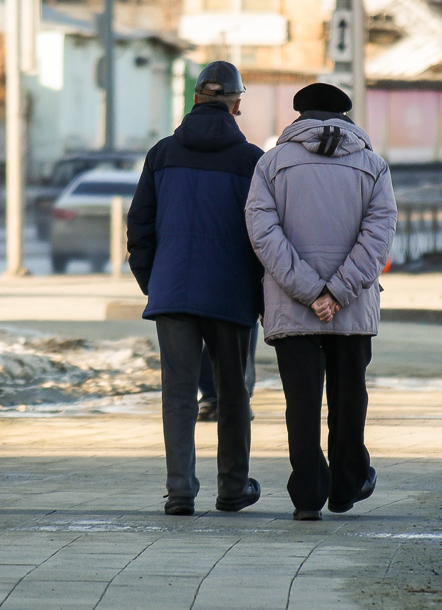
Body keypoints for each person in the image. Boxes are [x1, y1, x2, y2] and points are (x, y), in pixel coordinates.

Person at [245, 83, 397, 521]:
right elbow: (378, 236)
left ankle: (308, 496)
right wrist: (337, 292)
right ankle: (347, 486)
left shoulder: (271, 164)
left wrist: (310, 291)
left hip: (291, 306)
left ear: (300, 117)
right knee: (349, 398)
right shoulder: (373, 166)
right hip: (352, 307)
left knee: (302, 401)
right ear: (346, 117)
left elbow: (263, 233)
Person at [126, 61, 264, 515]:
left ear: (195, 100)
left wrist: (154, 282)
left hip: (172, 292)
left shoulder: (162, 154)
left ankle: (180, 490)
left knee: (179, 393)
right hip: (231, 294)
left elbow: (139, 226)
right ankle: (233, 487)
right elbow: (264, 235)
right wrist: (260, 295)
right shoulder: (252, 161)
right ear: (236, 104)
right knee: (233, 393)